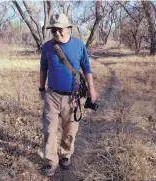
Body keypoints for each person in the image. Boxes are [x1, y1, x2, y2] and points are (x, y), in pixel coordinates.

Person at [39, 13, 97, 176]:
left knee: (70, 130)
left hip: (73, 96)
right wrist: (41, 88)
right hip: (52, 95)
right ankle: (50, 161)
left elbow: (87, 69)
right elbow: (43, 68)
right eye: (53, 30)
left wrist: (92, 89)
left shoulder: (79, 46)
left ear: (68, 28)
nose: (56, 33)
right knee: (49, 130)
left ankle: (65, 155)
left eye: (60, 30)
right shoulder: (47, 47)